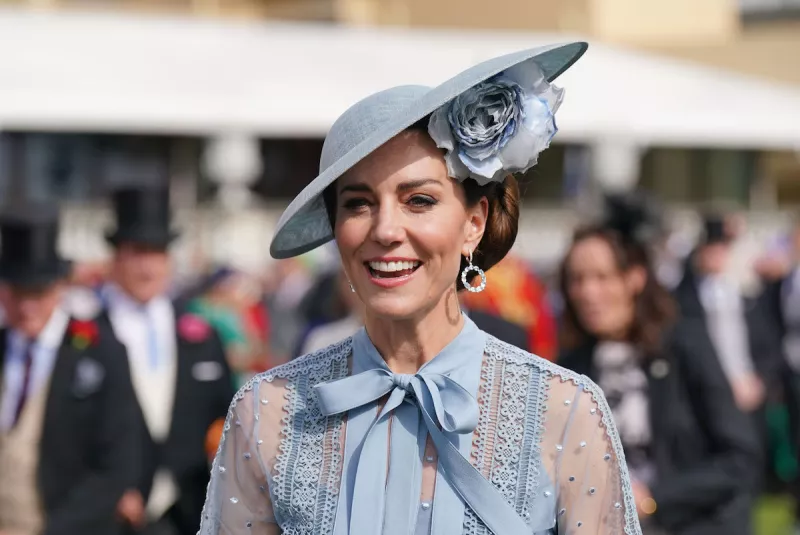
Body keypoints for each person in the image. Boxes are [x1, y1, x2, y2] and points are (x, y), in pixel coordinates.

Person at [199, 43, 644, 535]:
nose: (385, 230)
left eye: (418, 200)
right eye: (358, 203)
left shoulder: (565, 410)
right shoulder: (267, 410)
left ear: (474, 223)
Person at [557, 199, 760, 535]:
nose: (587, 292)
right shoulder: (570, 367)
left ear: (635, 278)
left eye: (602, 277)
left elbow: (739, 458)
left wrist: (654, 498)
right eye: (577, 279)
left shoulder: (684, 348)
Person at [97, 183, 235, 535]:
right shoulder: (88, 336)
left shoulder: (199, 334)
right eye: (137, 252)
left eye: (157, 252)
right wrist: (110, 489)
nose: (148, 267)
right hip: (110, 515)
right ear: (116, 257)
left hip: (189, 512)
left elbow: (226, 415)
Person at [0, 203, 139, 535]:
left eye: (38, 292)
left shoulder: (100, 353)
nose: (27, 307)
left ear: (60, 288)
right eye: (18, 292)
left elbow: (116, 465)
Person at [674, 214, 781, 416]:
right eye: (710, 250)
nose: (716, 256)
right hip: (708, 391)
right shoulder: (686, 298)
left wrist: (759, 379)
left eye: (721, 249)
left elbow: (766, 341)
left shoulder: (742, 294)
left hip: (748, 386)